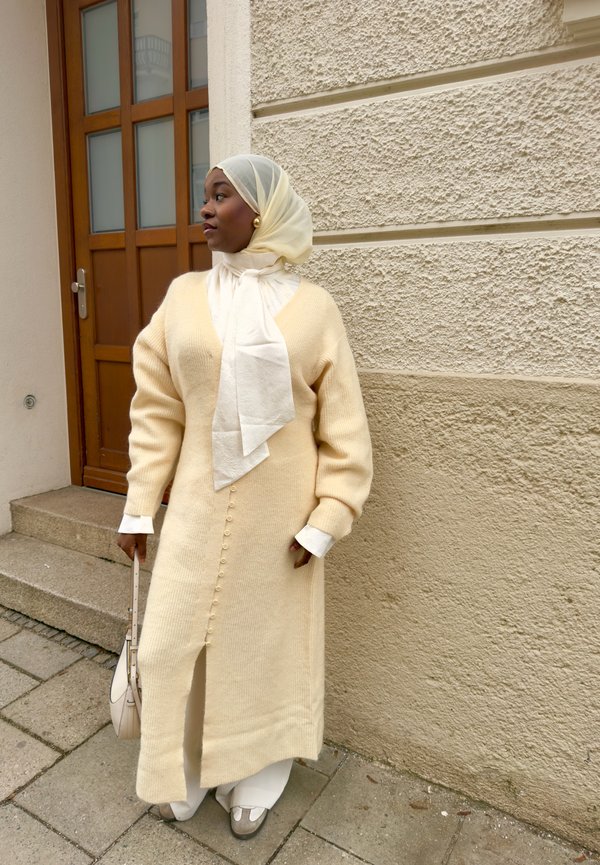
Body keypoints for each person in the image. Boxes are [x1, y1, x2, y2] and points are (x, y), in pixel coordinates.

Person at [117, 154, 372, 839]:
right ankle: (184, 762)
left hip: (282, 518)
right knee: (171, 641)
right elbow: (156, 408)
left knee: (261, 645)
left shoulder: (315, 309)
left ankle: (258, 770)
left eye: (221, 195)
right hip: (197, 502)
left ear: (262, 210)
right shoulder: (182, 297)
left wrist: (326, 519)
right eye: (204, 195)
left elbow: (344, 431)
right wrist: (140, 503)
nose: (205, 209)